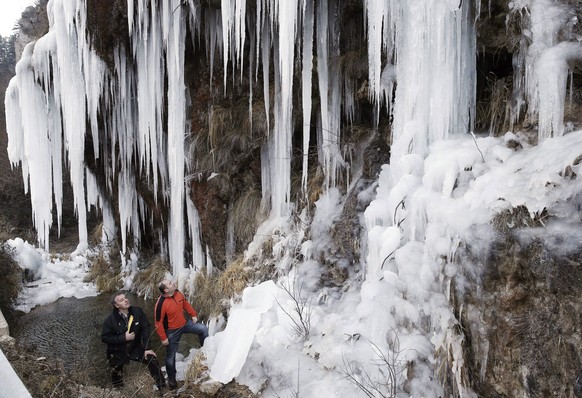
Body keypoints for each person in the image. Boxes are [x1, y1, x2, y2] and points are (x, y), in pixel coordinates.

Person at [101, 291, 166, 392]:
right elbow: (105, 338)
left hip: (134, 347)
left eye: (125, 297)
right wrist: (123, 338)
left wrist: (147, 348)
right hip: (117, 351)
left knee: (152, 359)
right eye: (121, 300)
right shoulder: (110, 320)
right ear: (116, 305)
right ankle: (118, 391)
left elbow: (146, 329)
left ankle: (162, 388)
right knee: (117, 372)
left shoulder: (137, 312)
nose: (126, 300)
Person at [154, 279, 209, 390]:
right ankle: (172, 381)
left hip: (184, 324)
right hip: (171, 331)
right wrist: (163, 338)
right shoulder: (160, 304)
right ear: (166, 290)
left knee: (203, 329)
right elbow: (158, 323)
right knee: (170, 357)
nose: (173, 282)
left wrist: (193, 314)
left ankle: (206, 354)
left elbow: (185, 303)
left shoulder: (177, 292)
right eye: (170, 283)